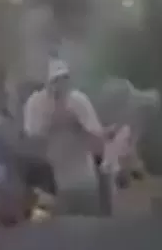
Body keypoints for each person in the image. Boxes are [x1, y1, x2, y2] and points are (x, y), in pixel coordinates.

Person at [22, 60, 109, 215]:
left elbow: (98, 141)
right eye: (55, 80)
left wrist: (78, 126)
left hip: (83, 180)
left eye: (64, 79)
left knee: (88, 225)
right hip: (52, 187)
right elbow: (30, 145)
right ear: (46, 83)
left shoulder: (79, 101)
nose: (60, 85)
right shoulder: (35, 104)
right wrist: (50, 124)